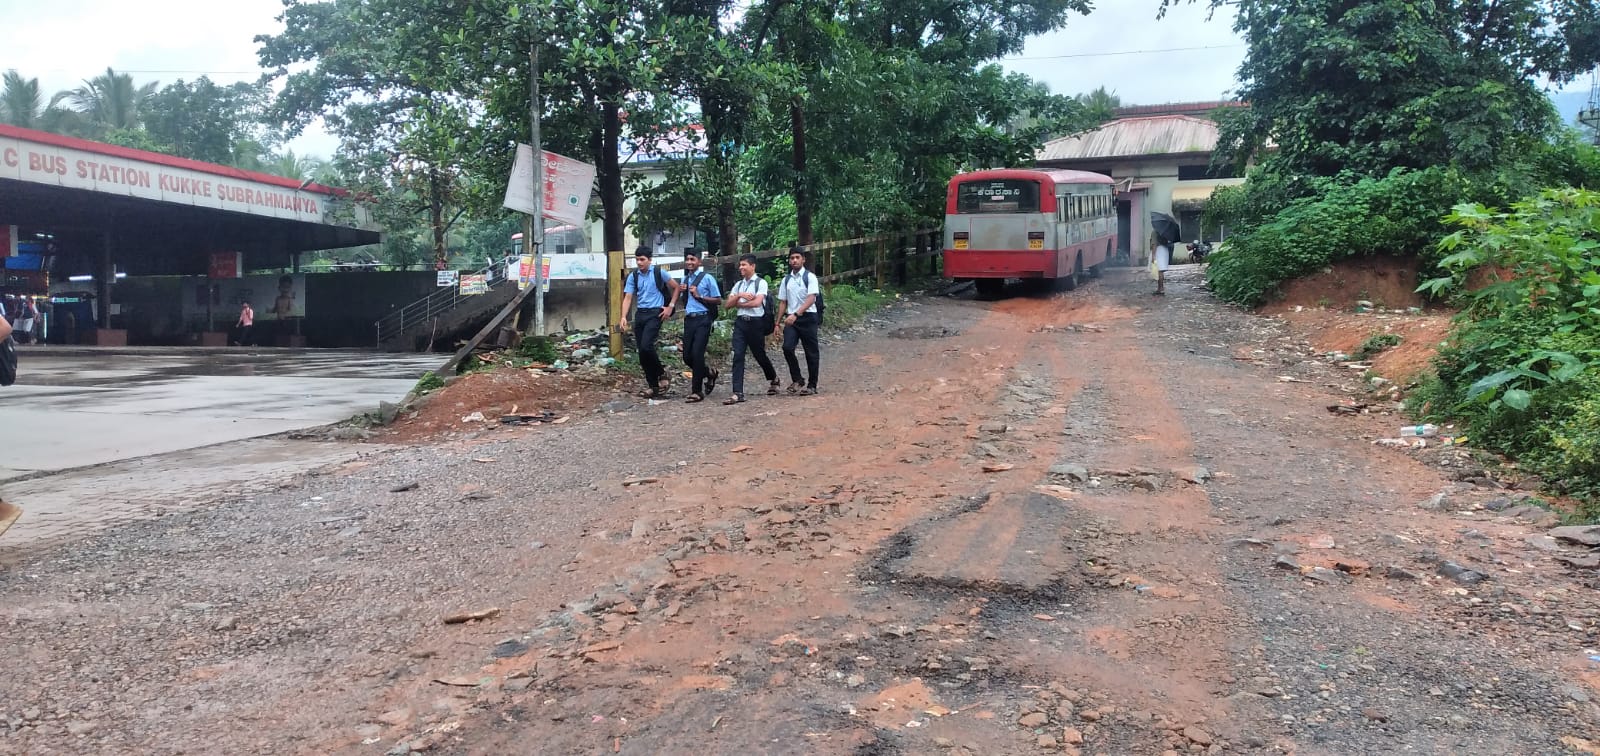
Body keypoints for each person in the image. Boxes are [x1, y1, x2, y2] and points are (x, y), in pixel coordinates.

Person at [618, 246, 679, 398]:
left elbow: (676, 287)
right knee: (642, 353)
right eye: (637, 259)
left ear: (649, 260)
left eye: (642, 260)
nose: (639, 263)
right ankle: (653, 386)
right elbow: (628, 297)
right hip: (641, 314)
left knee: (646, 346)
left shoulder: (659, 273)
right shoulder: (634, 276)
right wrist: (623, 316)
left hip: (655, 313)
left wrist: (670, 307)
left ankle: (662, 373)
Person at [723, 253, 780, 405]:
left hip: (756, 323)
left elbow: (757, 302)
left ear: (752, 266)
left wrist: (739, 303)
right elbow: (727, 305)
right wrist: (740, 296)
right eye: (740, 265)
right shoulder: (739, 285)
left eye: (744, 265)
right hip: (741, 323)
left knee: (759, 354)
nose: (741, 267)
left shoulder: (760, 283)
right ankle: (737, 392)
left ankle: (773, 378)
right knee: (738, 355)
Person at [675, 249, 721, 403]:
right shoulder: (685, 279)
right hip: (689, 319)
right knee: (687, 356)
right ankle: (709, 373)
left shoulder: (707, 278)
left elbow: (718, 300)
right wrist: (683, 293)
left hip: (703, 319)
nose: (689, 262)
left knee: (697, 353)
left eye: (692, 259)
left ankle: (697, 391)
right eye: (687, 259)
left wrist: (699, 296)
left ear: (699, 262)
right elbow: (686, 302)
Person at [776, 247, 821, 395]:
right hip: (791, 319)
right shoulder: (786, 280)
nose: (794, 260)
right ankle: (798, 379)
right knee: (787, 348)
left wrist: (796, 313)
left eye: (797, 257)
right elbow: (783, 301)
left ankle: (812, 385)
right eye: (792, 258)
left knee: (811, 352)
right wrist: (777, 323)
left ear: (803, 259)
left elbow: (811, 298)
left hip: (807, 317)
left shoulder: (810, 277)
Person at [1151, 231, 1171, 296]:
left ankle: (1160, 289)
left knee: (1159, 271)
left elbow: (1154, 244)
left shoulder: (1155, 232)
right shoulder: (1165, 233)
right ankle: (1160, 288)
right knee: (1161, 271)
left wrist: (1153, 256)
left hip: (1158, 251)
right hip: (1165, 250)